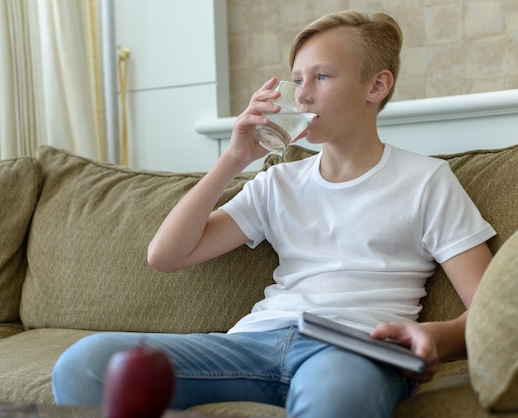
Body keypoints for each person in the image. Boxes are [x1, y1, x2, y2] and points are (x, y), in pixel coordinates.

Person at [51, 10, 495, 417]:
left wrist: (436, 338)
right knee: (84, 364)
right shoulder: (277, 182)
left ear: (376, 87)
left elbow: (490, 308)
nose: (301, 96)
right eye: (296, 80)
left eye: (321, 77)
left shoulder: (427, 181)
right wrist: (233, 158)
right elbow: (165, 255)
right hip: (252, 344)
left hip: (351, 352)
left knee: (340, 396)